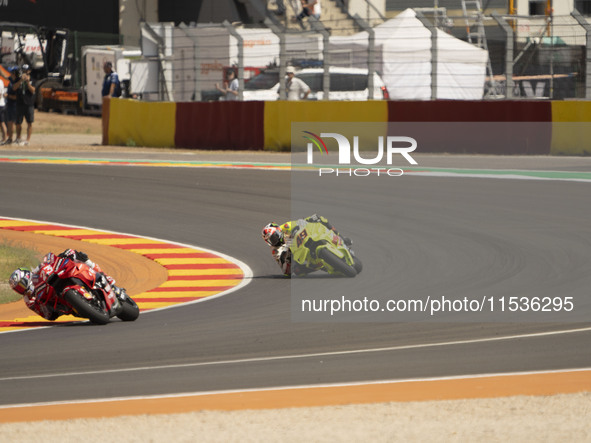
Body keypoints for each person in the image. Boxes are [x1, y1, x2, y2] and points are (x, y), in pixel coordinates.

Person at [9, 249, 126, 321]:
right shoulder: (29, 300)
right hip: (63, 304)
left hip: (60, 278)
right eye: (18, 289)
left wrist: (62, 256)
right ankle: (86, 305)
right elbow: (48, 316)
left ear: (27, 276)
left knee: (76, 255)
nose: (21, 289)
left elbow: (49, 260)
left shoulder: (38, 272)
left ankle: (107, 280)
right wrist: (44, 307)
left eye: (21, 285)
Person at [262, 214, 350, 276]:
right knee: (298, 271)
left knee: (317, 218)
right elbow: (286, 271)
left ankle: (341, 237)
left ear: (278, 230)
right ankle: (318, 266)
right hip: (298, 254)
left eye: (275, 236)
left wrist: (306, 221)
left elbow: (299, 222)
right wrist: (288, 259)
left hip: (305, 237)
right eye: (271, 240)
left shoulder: (285, 226)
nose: (275, 240)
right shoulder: (275, 250)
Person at [14, 64, 35, 146]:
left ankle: (27, 139)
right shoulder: (18, 79)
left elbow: (33, 90)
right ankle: (18, 138)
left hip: (29, 103)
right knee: (18, 122)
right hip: (20, 103)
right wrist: (20, 81)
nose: (25, 73)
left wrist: (28, 82)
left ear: (29, 71)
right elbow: (14, 88)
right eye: (23, 71)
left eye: (26, 71)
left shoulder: (32, 79)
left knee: (29, 122)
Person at [3, 67, 19, 145]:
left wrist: (7, 96)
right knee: (9, 122)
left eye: (11, 73)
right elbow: (4, 75)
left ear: (14, 74)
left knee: (14, 123)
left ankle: (16, 138)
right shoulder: (11, 80)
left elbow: (16, 97)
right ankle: (10, 138)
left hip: (14, 105)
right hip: (9, 105)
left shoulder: (17, 82)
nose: (10, 74)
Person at [0, 75, 7, 144]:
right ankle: (3, 138)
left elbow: (0, 95)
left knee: (2, 122)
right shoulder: (1, 81)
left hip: (0, 105)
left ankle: (4, 138)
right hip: (2, 104)